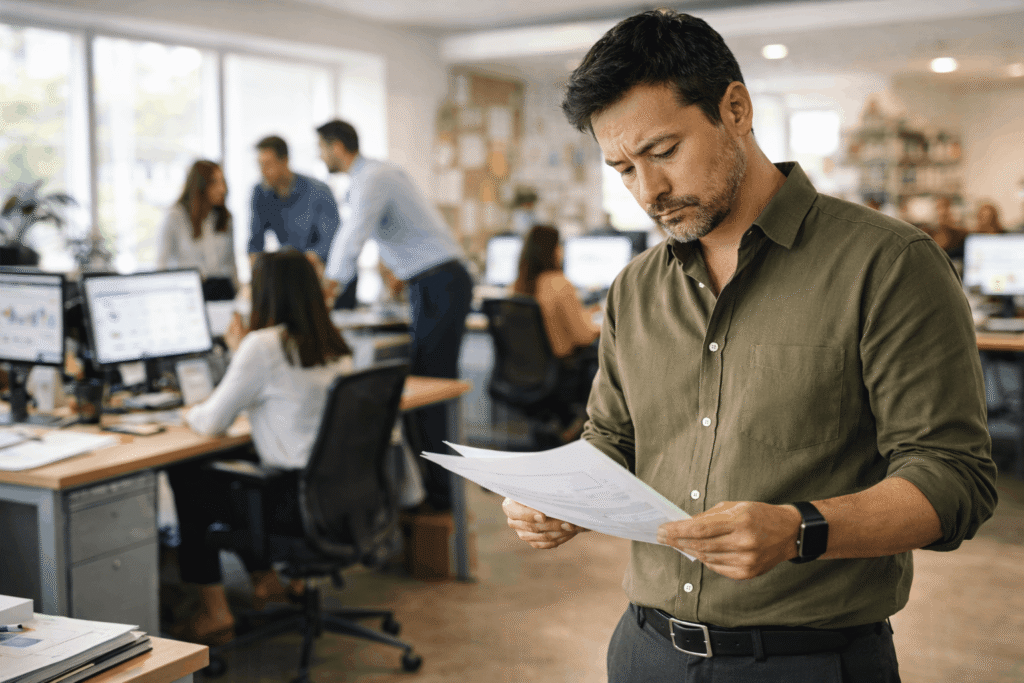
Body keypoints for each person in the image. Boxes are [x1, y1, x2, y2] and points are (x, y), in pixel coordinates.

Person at [502, 11, 997, 683]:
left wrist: (800, 528)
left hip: (809, 662)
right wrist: (560, 493)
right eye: (622, 169)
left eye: (663, 152)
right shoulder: (635, 289)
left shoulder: (890, 265)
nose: (648, 192)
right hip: (644, 651)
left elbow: (955, 479)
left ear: (735, 108)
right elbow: (611, 438)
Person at [166, 249, 353, 645]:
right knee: (237, 462)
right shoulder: (335, 345)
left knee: (187, 476)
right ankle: (265, 581)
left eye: (251, 285)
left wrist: (186, 413)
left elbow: (212, 422)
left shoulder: (263, 345)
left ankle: (214, 612)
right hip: (332, 500)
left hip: (289, 503)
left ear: (268, 292)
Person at [317, 119, 472, 512]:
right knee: (425, 381)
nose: (319, 156)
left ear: (337, 147)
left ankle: (440, 498)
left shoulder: (373, 178)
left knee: (430, 387)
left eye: (321, 147)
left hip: (439, 282)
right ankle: (434, 489)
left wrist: (327, 288)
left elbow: (354, 234)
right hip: (432, 281)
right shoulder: (374, 176)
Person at [511, 224, 600, 440]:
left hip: (526, 374)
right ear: (553, 250)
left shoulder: (518, 286)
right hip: (560, 374)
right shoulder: (560, 284)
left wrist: (583, 313)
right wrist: (597, 323)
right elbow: (583, 336)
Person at [247, 135, 339, 267]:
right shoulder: (261, 193)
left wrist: (303, 264)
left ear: (285, 161)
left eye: (267, 164)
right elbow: (255, 243)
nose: (263, 171)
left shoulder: (318, 191)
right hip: (291, 268)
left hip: (323, 267)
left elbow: (329, 242)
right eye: (260, 165)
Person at [157, 160, 237, 300]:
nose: (222, 189)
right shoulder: (175, 216)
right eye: (214, 182)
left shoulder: (225, 218)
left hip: (224, 291)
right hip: (189, 292)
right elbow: (162, 263)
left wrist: (241, 293)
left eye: (222, 182)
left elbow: (232, 263)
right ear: (200, 185)